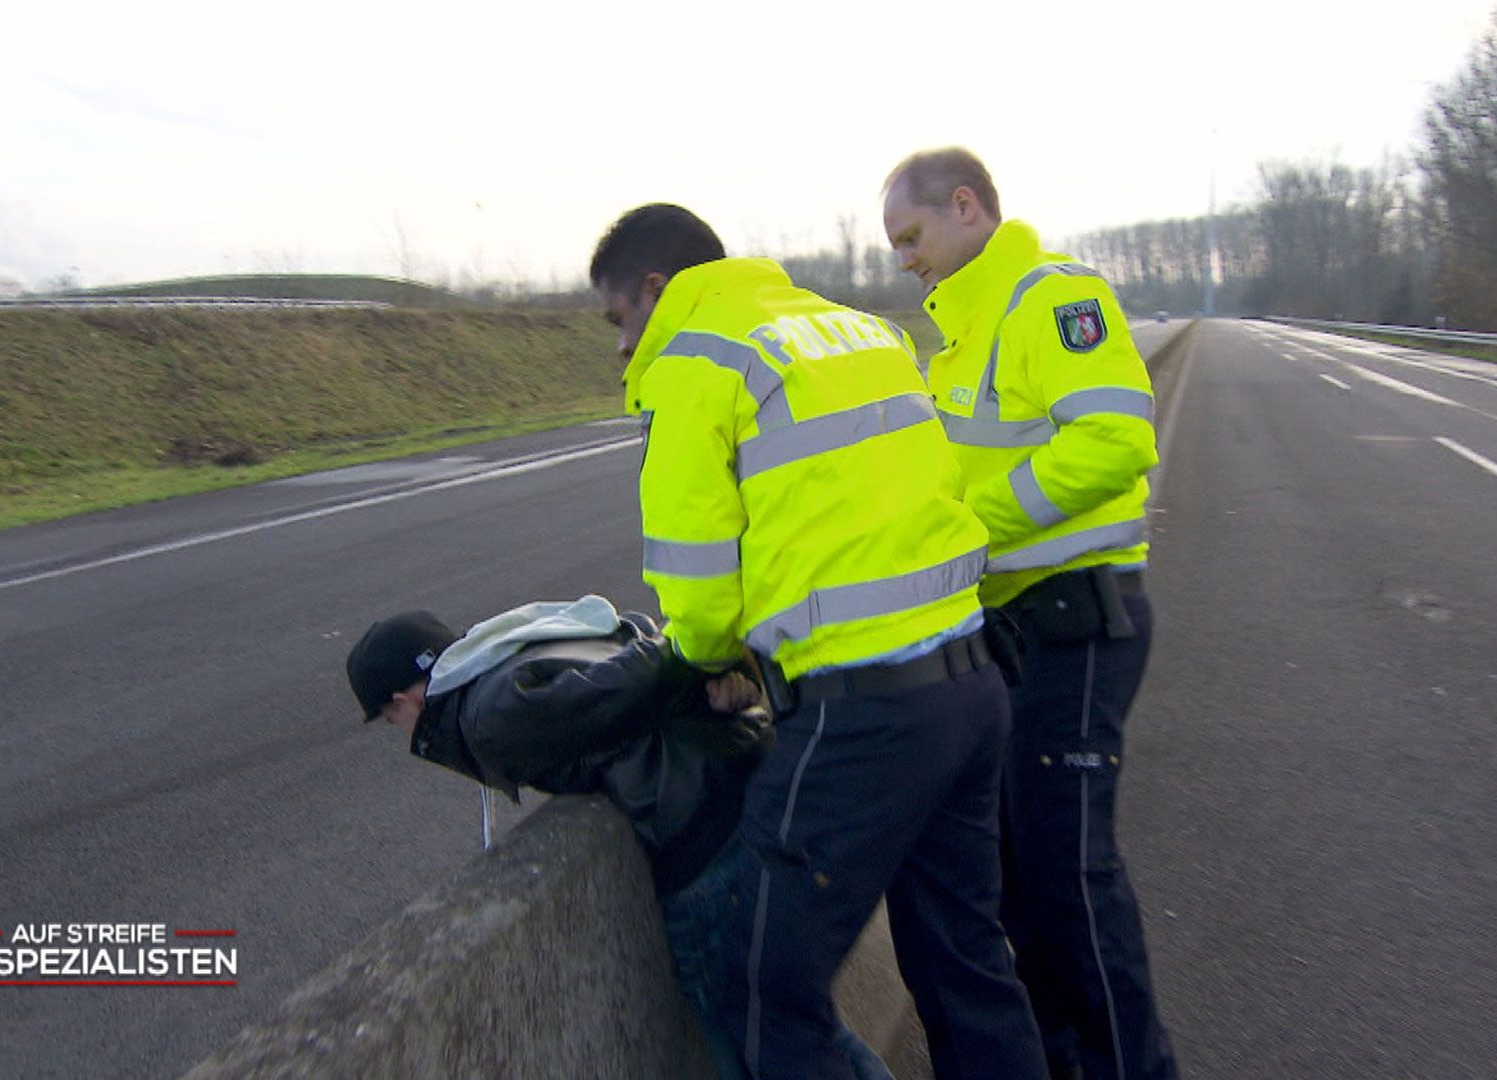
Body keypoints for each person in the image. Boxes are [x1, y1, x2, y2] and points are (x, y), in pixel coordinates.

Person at [589, 203, 1047, 1080]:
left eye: (619, 320)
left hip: (861, 722)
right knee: (966, 965)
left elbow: (695, 581)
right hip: (971, 682)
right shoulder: (859, 331)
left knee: (760, 984)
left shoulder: (696, 360)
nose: (620, 347)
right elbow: (904, 497)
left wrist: (718, 655)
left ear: (657, 289)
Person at [880, 148, 1178, 1080]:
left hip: (1075, 624)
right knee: (1018, 886)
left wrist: (971, 526)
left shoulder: (1049, 299)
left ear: (965, 208)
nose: (903, 260)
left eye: (912, 236)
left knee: (1069, 879)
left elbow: (1117, 440)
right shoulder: (961, 338)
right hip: (1017, 636)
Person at [344, 596, 893, 1080]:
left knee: (762, 1043)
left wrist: (695, 665)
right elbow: (630, 641)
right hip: (746, 799)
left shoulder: (492, 715)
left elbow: (633, 676)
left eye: (391, 719)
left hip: (704, 852)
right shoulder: (515, 647)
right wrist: (705, 687)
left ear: (402, 701)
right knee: (797, 1027)